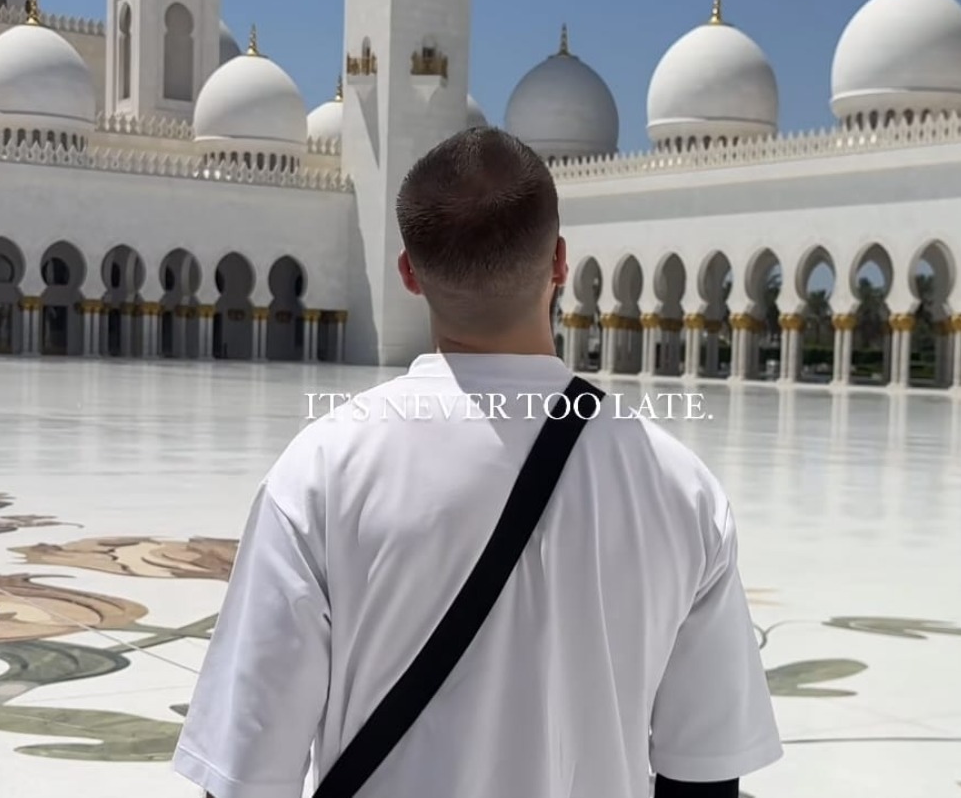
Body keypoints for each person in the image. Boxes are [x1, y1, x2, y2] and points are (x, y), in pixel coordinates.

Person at [172, 127, 782, 798]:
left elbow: (247, 776)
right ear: (560, 262)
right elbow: (703, 773)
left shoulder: (320, 474)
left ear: (408, 272)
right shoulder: (681, 489)